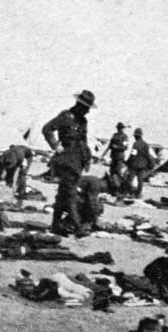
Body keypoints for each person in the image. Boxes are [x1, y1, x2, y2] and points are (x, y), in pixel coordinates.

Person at [42, 90, 95, 236]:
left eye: (89, 108)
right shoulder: (65, 116)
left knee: (62, 194)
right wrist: (55, 145)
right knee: (71, 193)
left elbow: (84, 141)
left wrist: (87, 159)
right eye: (85, 107)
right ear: (78, 104)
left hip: (78, 160)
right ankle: (78, 226)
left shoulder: (83, 121)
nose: (88, 111)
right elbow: (47, 129)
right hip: (66, 160)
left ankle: (55, 225)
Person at [126, 128, 155, 198]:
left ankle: (131, 193)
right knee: (140, 180)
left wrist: (128, 162)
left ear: (136, 136)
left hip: (134, 165)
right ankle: (138, 194)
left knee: (130, 179)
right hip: (142, 165)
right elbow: (148, 155)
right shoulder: (146, 144)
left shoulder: (135, 144)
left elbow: (133, 155)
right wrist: (151, 164)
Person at [104, 122, 129, 189]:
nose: (120, 129)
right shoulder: (114, 135)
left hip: (119, 158)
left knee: (118, 173)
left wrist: (117, 147)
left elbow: (125, 147)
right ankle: (112, 188)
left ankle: (119, 189)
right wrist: (103, 154)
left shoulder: (125, 137)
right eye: (119, 128)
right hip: (113, 157)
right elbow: (109, 146)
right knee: (112, 172)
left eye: (121, 128)